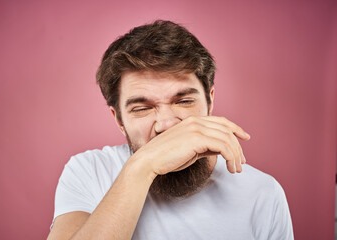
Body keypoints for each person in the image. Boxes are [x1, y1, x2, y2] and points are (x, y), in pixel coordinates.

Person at [48, 20, 294, 240]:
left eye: (184, 101)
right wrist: (143, 167)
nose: (166, 124)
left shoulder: (263, 193)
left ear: (210, 100)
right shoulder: (89, 171)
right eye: (142, 108)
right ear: (119, 120)